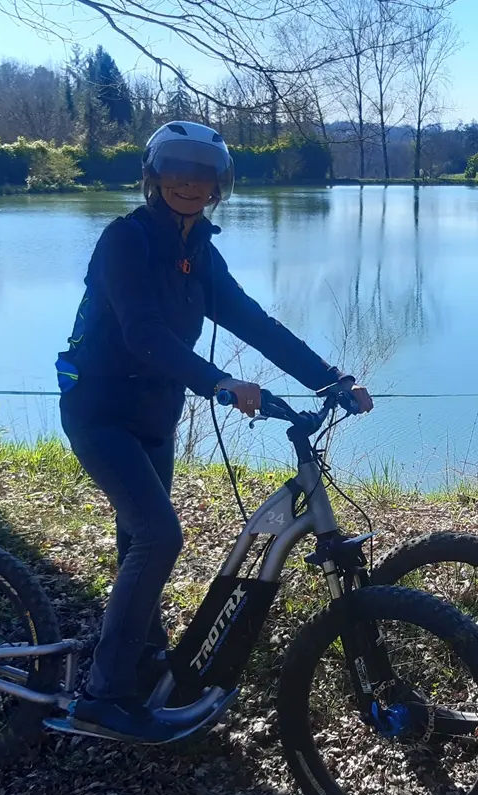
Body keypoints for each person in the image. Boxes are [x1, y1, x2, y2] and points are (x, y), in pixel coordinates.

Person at [54, 120, 373, 741]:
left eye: (203, 174)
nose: (189, 183)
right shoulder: (125, 240)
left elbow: (253, 321)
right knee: (158, 536)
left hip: (154, 416)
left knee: (137, 539)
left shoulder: (199, 250)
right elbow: (142, 333)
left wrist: (329, 379)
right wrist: (218, 381)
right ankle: (102, 696)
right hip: (100, 412)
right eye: (176, 170)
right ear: (153, 177)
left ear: (219, 184)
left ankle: (143, 661)